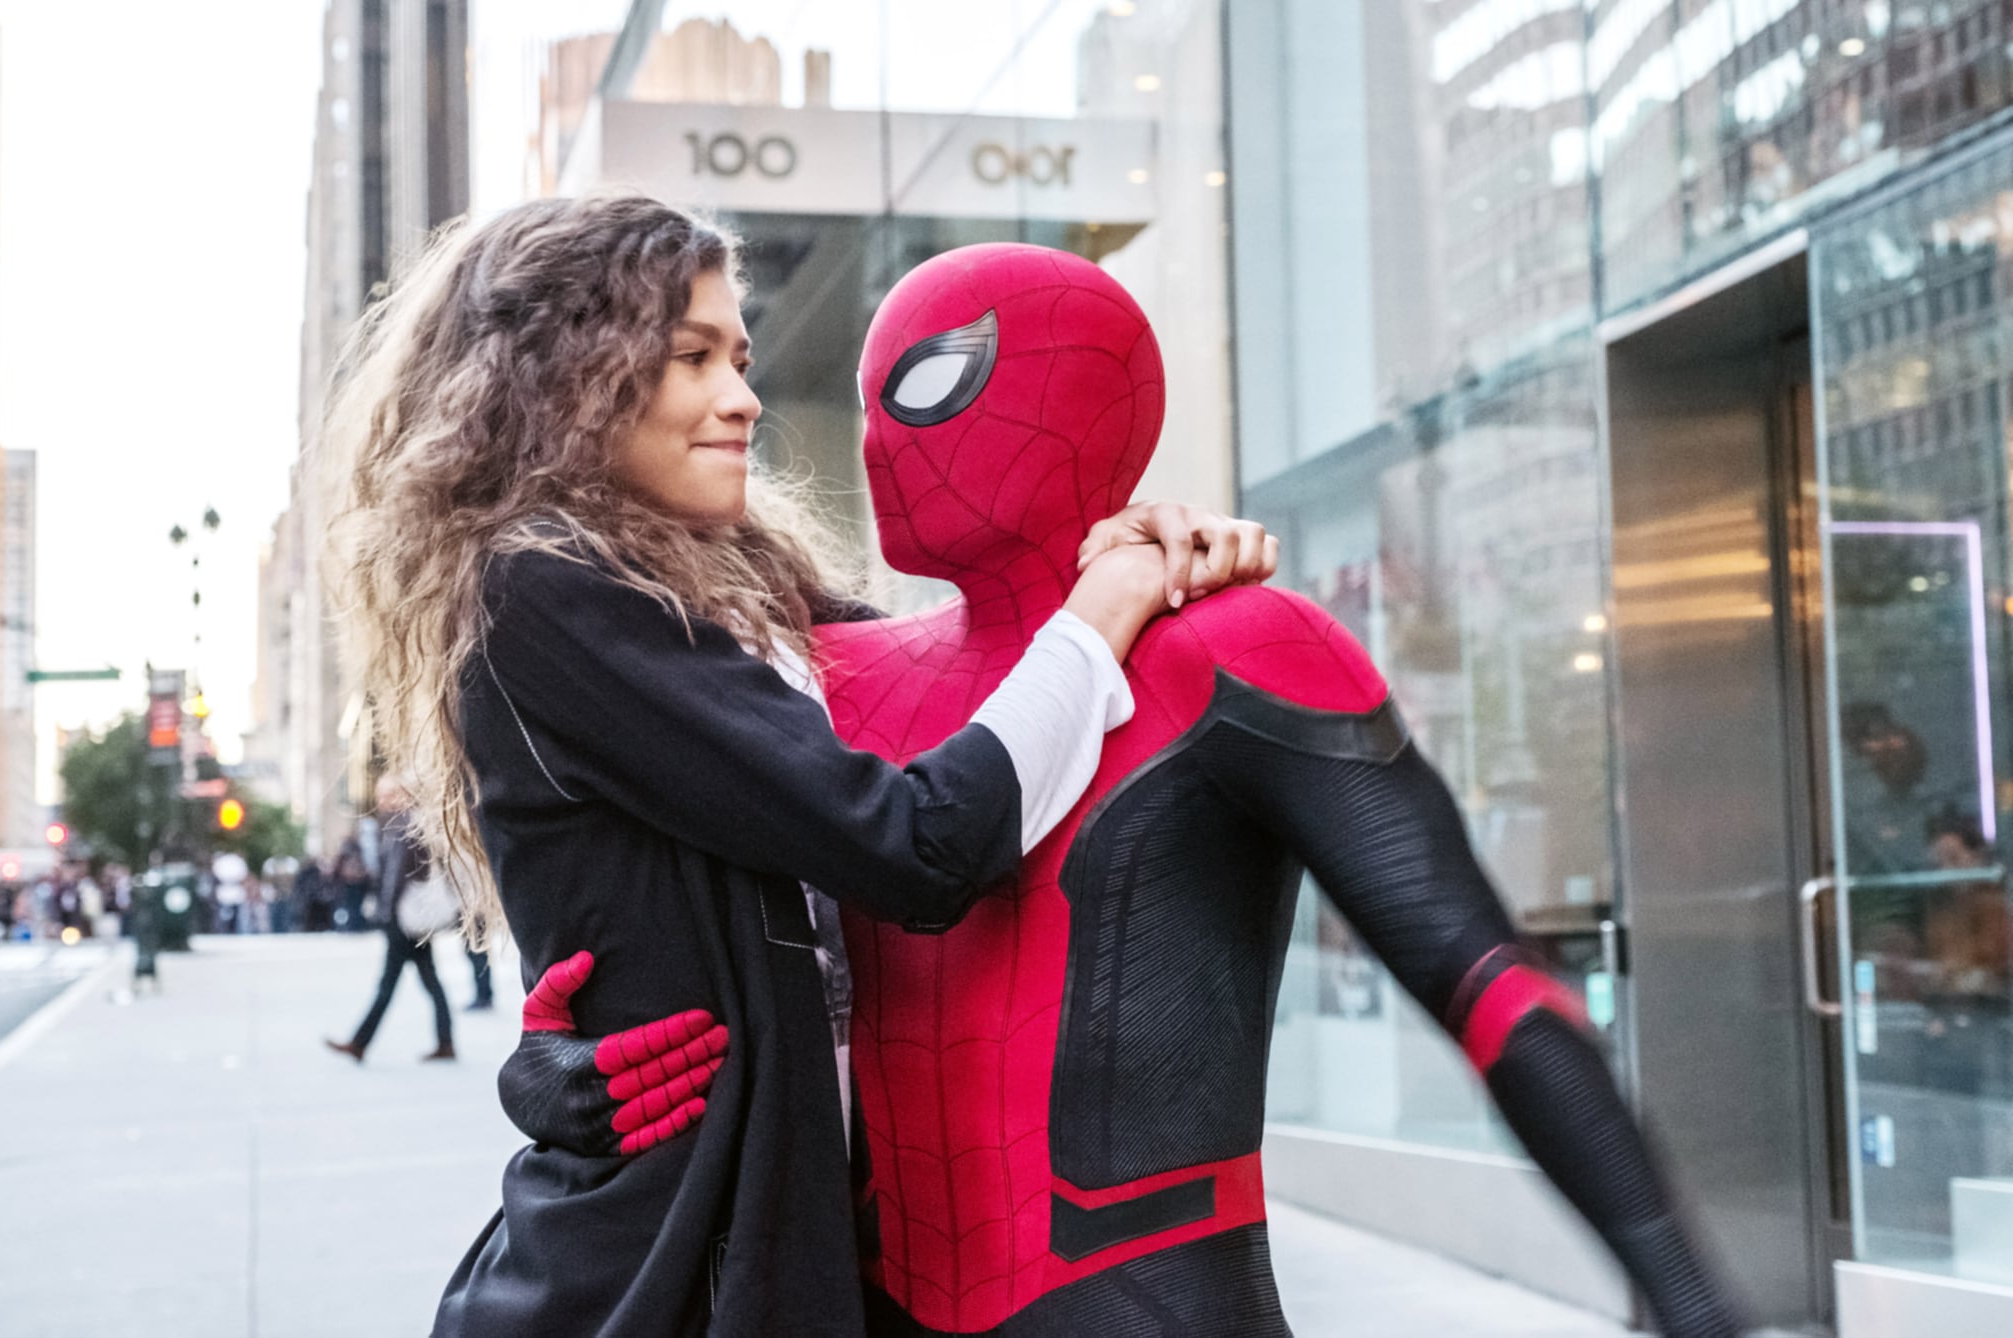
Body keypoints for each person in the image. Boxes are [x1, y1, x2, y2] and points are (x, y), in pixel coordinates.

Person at [505, 244, 1744, 1335]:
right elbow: (629, 862)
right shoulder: (816, 671)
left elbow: (1482, 981)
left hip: (1144, 1296)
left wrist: (1689, 1294)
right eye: (872, 393)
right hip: (854, 1299)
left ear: (1083, 395)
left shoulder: (1227, 649)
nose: (878, 433)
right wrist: (562, 1065)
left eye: (928, 382)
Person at [321, 193, 1268, 1336]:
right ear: (567, 379)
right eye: (690, 358)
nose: (742, 397)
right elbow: (918, 839)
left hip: (823, 1237)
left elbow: (974, 700)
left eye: (741, 355)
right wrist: (1099, 608)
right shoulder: (549, 593)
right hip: (666, 1277)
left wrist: (1139, 561)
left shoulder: (738, 582)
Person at [323, 775, 456, 1063]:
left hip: (403, 918)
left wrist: (387, 911)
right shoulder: (403, 825)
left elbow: (397, 875)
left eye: (388, 794)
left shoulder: (404, 825)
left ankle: (360, 1042)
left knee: (390, 984)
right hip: (408, 918)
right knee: (429, 981)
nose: (382, 800)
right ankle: (445, 1042)